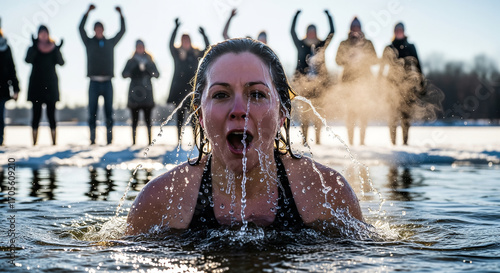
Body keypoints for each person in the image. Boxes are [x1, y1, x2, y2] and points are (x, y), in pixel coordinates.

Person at [126, 38, 363, 235]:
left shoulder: (327, 194)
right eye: (220, 95)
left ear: (282, 112)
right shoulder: (158, 202)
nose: (239, 109)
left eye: (257, 94)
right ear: (199, 114)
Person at [79, 4, 125, 145]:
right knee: (92, 113)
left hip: (107, 83)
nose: (99, 30)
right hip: (93, 82)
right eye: (96, 28)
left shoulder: (110, 42)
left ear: (103, 30)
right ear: (94, 30)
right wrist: (87, 13)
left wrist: (121, 15)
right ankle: (92, 140)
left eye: (100, 28)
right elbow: (80, 29)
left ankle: (109, 141)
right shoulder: (89, 42)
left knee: (109, 113)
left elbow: (122, 31)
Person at [291, 10, 334, 145]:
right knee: (304, 113)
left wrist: (328, 15)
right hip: (304, 84)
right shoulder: (301, 45)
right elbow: (292, 32)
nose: (311, 33)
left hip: (319, 85)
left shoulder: (321, 46)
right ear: (306, 32)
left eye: (313, 31)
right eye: (309, 31)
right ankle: (304, 139)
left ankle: (318, 140)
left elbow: (332, 32)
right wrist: (296, 15)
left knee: (318, 112)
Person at [335, 17, 377, 146]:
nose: (355, 29)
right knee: (350, 113)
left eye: (357, 26)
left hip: (364, 83)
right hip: (348, 83)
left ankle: (362, 142)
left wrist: (363, 58)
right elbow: (337, 61)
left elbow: (375, 60)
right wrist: (348, 58)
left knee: (363, 112)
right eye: (353, 26)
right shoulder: (344, 43)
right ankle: (351, 143)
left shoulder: (368, 43)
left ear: (361, 28)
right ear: (350, 28)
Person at [167, 18, 209, 146]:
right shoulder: (177, 53)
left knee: (194, 117)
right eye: (183, 39)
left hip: (192, 89)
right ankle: (179, 141)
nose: (186, 42)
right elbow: (169, 45)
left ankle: (195, 141)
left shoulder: (195, 53)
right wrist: (175, 28)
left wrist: (204, 34)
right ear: (181, 41)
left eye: (187, 39)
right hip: (178, 89)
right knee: (179, 116)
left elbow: (208, 49)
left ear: (190, 41)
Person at [379, 22, 423, 145]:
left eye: (401, 29)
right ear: (394, 31)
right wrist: (379, 84)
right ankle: (393, 144)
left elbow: (418, 65)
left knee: (406, 116)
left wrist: (421, 83)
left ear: (404, 31)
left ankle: (405, 143)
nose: (399, 31)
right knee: (392, 115)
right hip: (392, 86)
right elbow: (382, 68)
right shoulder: (388, 47)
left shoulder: (411, 47)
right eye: (397, 29)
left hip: (408, 86)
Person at [25, 25, 64, 146]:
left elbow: (61, 62)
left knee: (51, 115)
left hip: (51, 87)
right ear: (38, 35)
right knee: (36, 115)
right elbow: (27, 60)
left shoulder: (54, 48)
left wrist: (57, 49)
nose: (43, 35)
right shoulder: (33, 48)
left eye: (45, 33)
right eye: (40, 33)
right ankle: (34, 143)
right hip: (36, 86)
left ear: (48, 34)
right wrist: (35, 47)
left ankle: (54, 143)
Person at [122, 40, 160, 145]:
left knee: (148, 120)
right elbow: (124, 74)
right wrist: (134, 70)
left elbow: (157, 74)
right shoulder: (131, 61)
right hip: (134, 94)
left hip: (147, 94)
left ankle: (149, 141)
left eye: (141, 46)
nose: (140, 48)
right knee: (134, 120)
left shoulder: (150, 60)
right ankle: (134, 142)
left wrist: (147, 69)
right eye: (138, 47)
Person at [0, 19, 20, 146]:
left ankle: (0, 141)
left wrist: (16, 88)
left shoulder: (5, 47)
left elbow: (11, 69)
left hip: (1, 88)